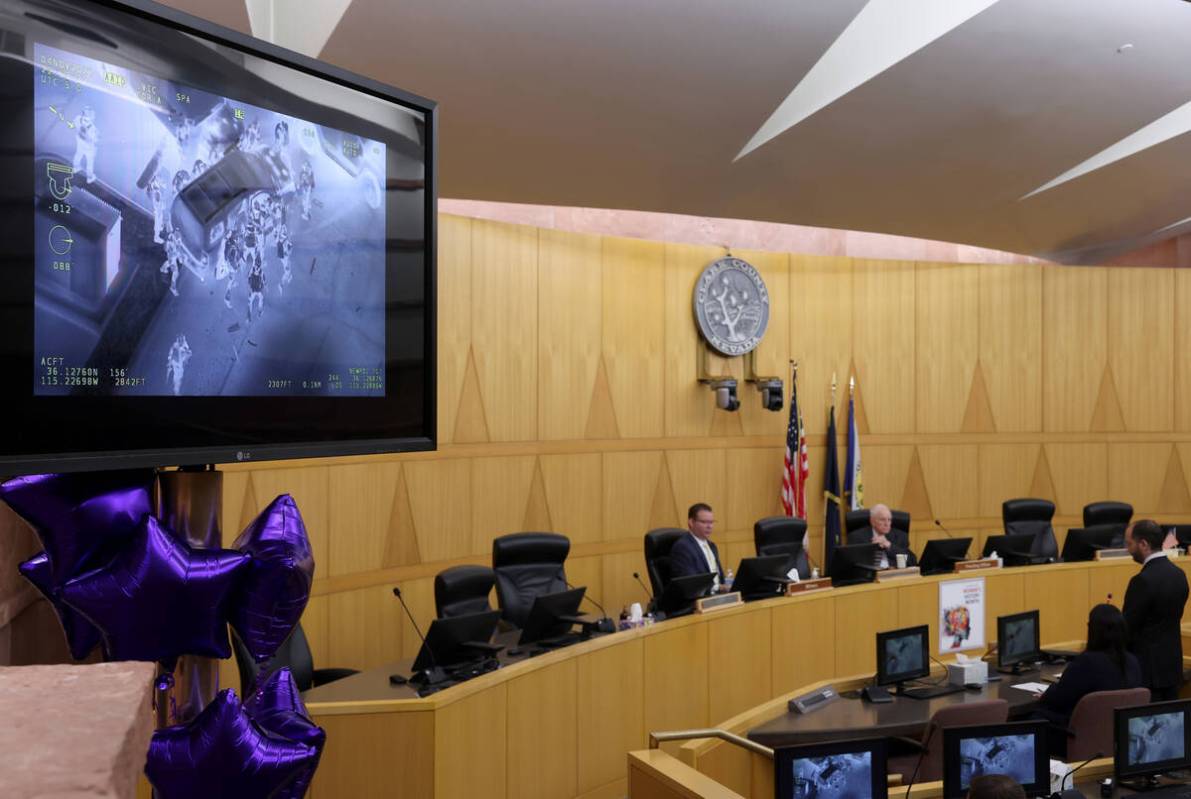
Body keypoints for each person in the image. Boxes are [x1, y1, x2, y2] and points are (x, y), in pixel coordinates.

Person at [1036, 604, 1142, 733]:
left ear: (1093, 630)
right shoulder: (1132, 662)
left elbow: (1060, 699)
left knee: (1031, 718)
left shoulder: (1086, 662)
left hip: (1079, 734)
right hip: (1119, 735)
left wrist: (1046, 695)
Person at [1123, 519, 1189, 701]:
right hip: (1172, 666)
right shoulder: (1179, 575)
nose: (1128, 550)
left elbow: (1128, 627)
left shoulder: (1142, 581)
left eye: (1130, 544)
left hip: (1147, 672)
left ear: (1143, 544)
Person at [669, 503, 725, 592]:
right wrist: (719, 588)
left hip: (718, 597)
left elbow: (719, 577)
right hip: (697, 600)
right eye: (704, 522)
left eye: (711, 522)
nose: (709, 526)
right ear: (691, 522)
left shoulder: (711, 546)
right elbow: (692, 583)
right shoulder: (683, 547)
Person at [847, 504, 916, 569]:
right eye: (882, 520)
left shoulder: (900, 536)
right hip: (871, 578)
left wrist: (890, 546)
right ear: (872, 521)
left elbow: (912, 561)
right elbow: (852, 564)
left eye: (889, 520)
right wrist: (872, 548)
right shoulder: (857, 537)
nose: (887, 524)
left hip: (894, 576)